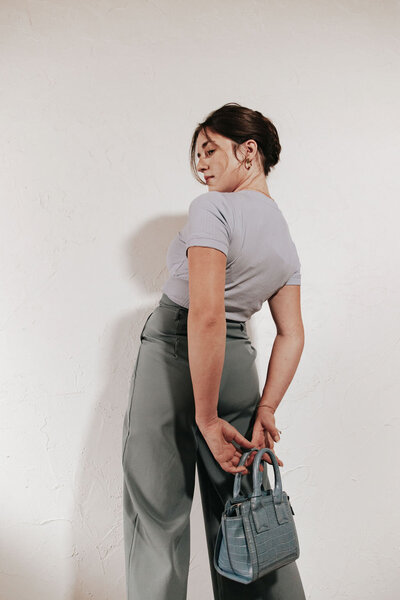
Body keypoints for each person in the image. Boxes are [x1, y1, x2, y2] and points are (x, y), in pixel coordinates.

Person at [121, 102, 306, 600]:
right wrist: (266, 406)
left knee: (158, 510)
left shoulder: (213, 208)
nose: (200, 165)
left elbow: (204, 312)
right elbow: (292, 333)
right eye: (196, 156)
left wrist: (205, 416)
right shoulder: (284, 238)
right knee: (247, 508)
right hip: (238, 363)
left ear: (249, 152)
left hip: (177, 352)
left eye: (209, 150)